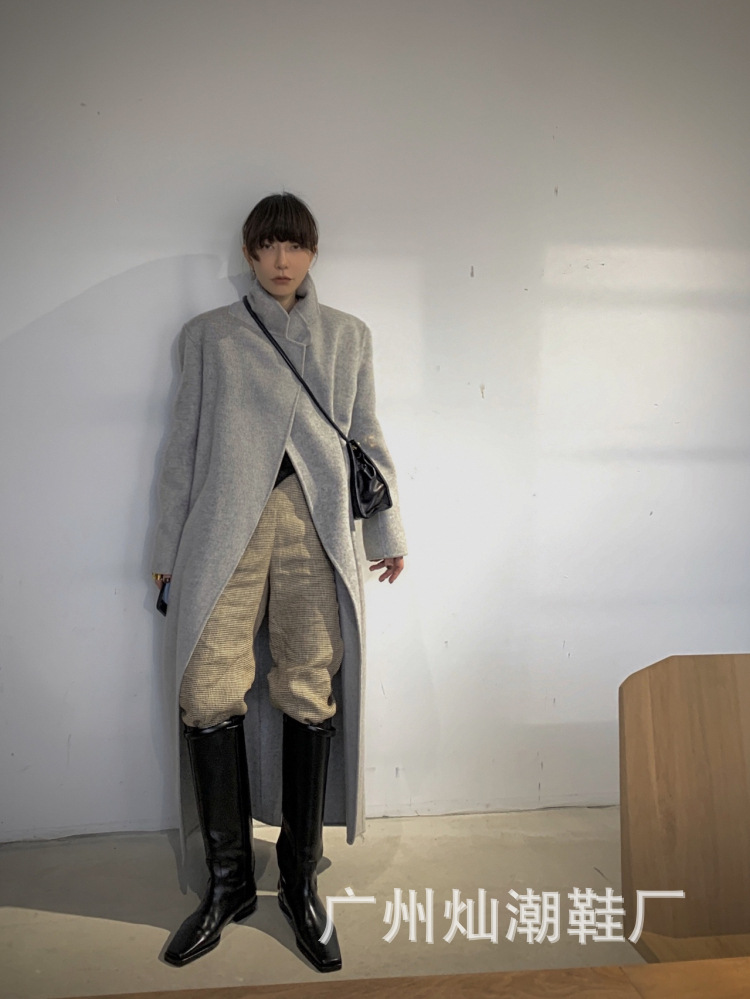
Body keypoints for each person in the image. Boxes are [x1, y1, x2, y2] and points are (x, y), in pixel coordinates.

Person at [151, 192, 407, 973]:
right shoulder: (209, 336)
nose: (281, 260)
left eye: (294, 245)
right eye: (268, 246)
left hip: (315, 528)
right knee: (206, 687)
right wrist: (166, 544)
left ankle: (298, 881)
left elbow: (366, 436)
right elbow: (182, 445)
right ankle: (229, 883)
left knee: (309, 685)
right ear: (249, 253)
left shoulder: (347, 336)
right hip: (222, 530)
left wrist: (387, 532)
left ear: (313, 252)